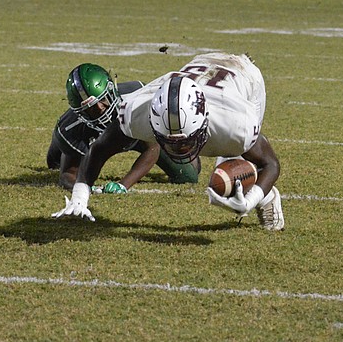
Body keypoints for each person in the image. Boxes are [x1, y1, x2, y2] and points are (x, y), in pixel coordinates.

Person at [52, 52, 284, 231]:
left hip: (244, 76)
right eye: (168, 141)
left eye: (184, 141)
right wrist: (80, 197)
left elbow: (270, 164)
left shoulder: (237, 124)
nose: (177, 149)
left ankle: (268, 198)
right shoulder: (136, 112)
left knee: (232, 177)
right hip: (198, 66)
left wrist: (250, 200)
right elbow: (99, 149)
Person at [47, 63, 200, 193]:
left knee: (188, 175)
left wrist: (123, 184)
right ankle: (57, 148)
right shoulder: (71, 127)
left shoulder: (136, 99)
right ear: (79, 111)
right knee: (54, 161)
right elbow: (68, 175)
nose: (100, 108)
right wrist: (85, 188)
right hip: (90, 136)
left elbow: (152, 148)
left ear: (111, 90)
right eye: (90, 108)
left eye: (102, 100)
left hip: (135, 136)